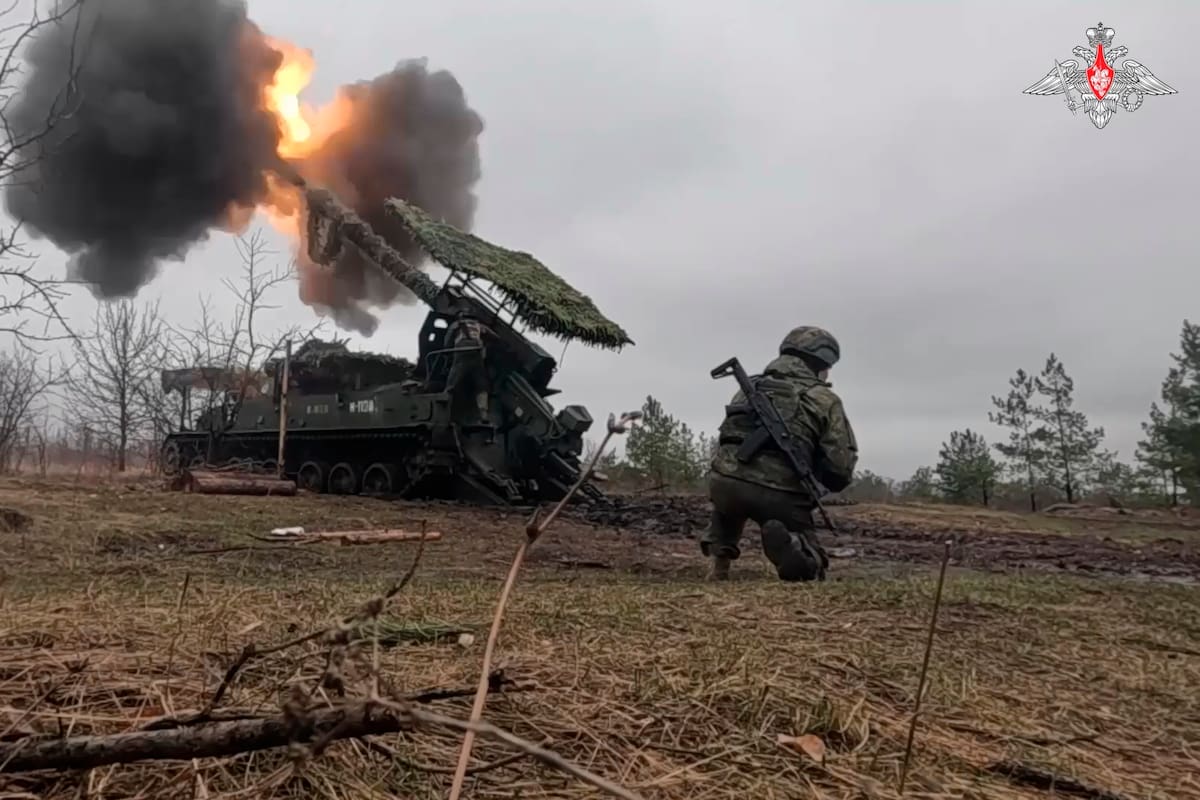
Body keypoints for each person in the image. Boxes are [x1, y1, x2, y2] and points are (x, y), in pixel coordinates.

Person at [702, 326, 858, 582]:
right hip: (780, 494)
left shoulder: (747, 387)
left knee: (729, 502)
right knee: (811, 561)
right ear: (821, 363)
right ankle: (795, 548)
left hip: (724, 482)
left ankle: (720, 562)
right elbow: (839, 466)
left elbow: (728, 438)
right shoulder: (824, 399)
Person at [444, 310, 494, 424]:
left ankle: (445, 412)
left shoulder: (457, 324)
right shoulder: (480, 326)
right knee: (481, 386)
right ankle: (483, 415)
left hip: (462, 353)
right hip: (477, 356)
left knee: (452, 384)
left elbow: (447, 342)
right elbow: (495, 337)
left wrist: (448, 353)